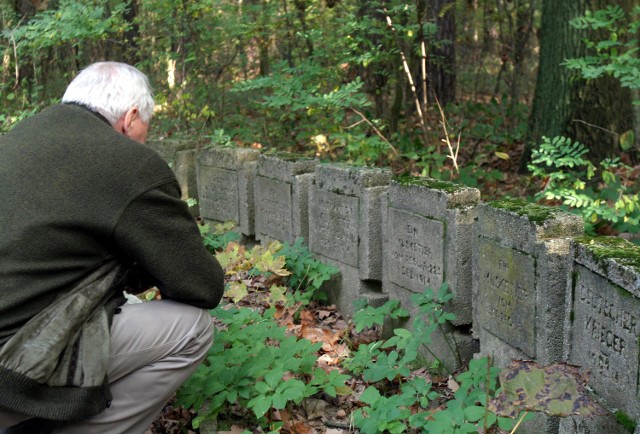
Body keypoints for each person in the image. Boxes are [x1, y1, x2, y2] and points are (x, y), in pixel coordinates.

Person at [0, 61, 225, 434]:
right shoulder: (128, 163)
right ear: (131, 117)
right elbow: (200, 286)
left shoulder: (16, 139)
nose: (144, 141)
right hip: (10, 370)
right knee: (191, 329)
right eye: (145, 130)